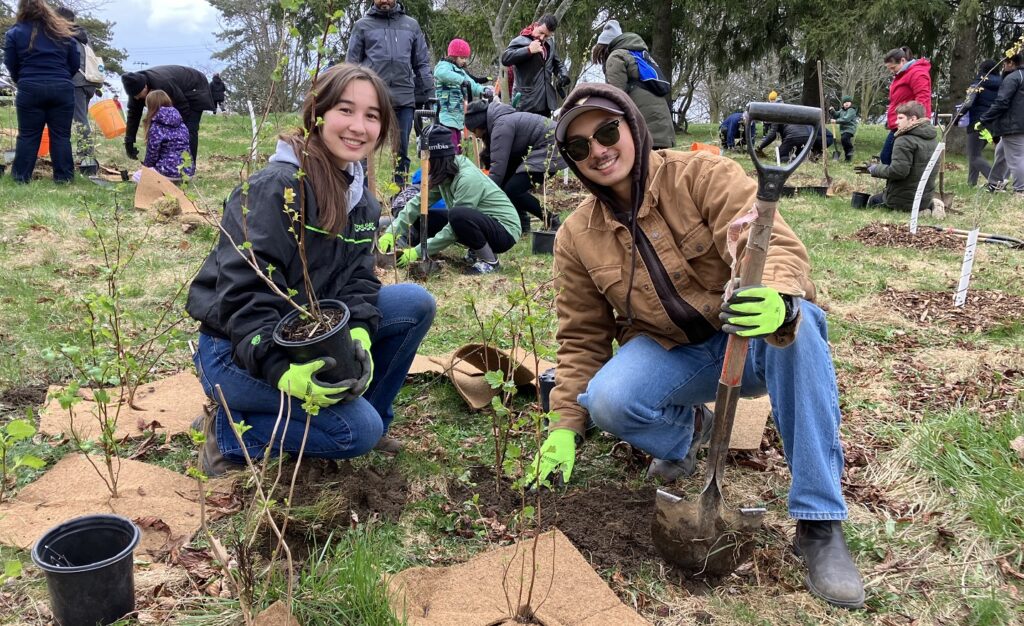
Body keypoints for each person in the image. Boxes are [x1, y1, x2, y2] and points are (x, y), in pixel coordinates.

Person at [524, 82, 865, 610]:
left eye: (607, 131)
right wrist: (565, 426)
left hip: (750, 342)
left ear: (632, 127)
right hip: (675, 353)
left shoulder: (702, 175)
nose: (598, 150)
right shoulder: (576, 236)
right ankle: (691, 433)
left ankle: (819, 523)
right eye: (579, 147)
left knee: (802, 327)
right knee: (607, 399)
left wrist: (776, 298)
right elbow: (581, 339)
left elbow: (770, 240)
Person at [186, 64, 435, 474]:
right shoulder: (275, 189)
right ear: (317, 114)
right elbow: (245, 291)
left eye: (372, 116)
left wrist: (359, 329)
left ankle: (366, 414)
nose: (359, 126)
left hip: (306, 334)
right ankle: (229, 433)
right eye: (346, 110)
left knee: (413, 303)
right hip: (236, 350)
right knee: (353, 433)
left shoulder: (363, 202)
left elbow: (357, 278)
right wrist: (281, 369)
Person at [377, 125, 521, 275]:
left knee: (457, 215)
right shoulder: (445, 172)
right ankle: (476, 249)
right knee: (426, 217)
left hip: (504, 231)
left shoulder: (467, 178)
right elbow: (418, 203)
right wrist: (391, 232)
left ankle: (489, 261)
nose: (424, 165)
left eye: (426, 160)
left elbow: (453, 229)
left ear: (437, 159)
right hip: (482, 221)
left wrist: (417, 252)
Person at [346, 0, 434, 186]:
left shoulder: (411, 25)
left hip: (404, 97)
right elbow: (351, 65)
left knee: (401, 149)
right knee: (363, 146)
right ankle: (361, 193)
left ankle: (400, 193)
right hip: (372, 97)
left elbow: (422, 63)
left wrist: (428, 94)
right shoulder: (362, 26)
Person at [3, 0, 79, 184]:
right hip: (61, 87)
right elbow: (75, 62)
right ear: (46, 9)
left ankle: (21, 178)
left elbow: (10, 62)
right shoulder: (63, 32)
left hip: (30, 87)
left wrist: (21, 79)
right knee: (61, 135)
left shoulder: (15, 33)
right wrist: (62, 78)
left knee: (28, 135)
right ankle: (64, 178)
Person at [464, 99, 566, 233]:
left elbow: (498, 168)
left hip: (551, 149)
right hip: (544, 148)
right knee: (510, 184)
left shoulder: (501, 126)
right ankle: (523, 224)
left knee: (513, 190)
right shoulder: (500, 121)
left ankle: (551, 219)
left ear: (479, 126)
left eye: (473, 131)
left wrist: (484, 194)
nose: (473, 135)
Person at [590, 20, 674, 149]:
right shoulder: (638, 55)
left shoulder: (616, 56)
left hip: (647, 129)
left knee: (645, 168)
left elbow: (616, 96)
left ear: (604, 47)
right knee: (660, 166)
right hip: (663, 128)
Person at [121, 65, 214, 169]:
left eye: (138, 95)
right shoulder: (134, 85)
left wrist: (176, 128)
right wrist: (129, 140)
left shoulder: (163, 83)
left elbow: (183, 106)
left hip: (194, 88)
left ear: (145, 87)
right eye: (133, 96)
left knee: (188, 130)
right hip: (178, 91)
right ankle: (170, 166)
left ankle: (188, 168)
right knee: (165, 130)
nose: (136, 98)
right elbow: (133, 114)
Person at [860, 101, 938, 211]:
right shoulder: (932, 138)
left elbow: (898, 172)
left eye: (900, 118)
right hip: (924, 200)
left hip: (904, 202)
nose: (896, 122)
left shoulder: (904, 140)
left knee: (873, 201)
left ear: (913, 119)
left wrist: (874, 169)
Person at [55, 6, 101, 168]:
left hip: (77, 82)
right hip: (90, 82)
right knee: (82, 117)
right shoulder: (82, 36)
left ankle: (86, 156)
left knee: (80, 120)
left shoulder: (67, 37)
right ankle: (84, 152)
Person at [501, 14, 568, 118]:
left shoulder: (550, 43)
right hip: (526, 103)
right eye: (541, 32)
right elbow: (505, 58)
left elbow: (557, 63)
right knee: (524, 133)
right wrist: (528, 50)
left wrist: (563, 74)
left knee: (545, 133)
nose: (542, 37)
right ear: (536, 25)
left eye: (546, 36)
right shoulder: (520, 40)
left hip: (546, 103)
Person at [977, 53, 1024, 193]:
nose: (1003, 66)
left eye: (1005, 63)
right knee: (1001, 152)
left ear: (1011, 63)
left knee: (1016, 158)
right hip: (1017, 124)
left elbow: (1002, 102)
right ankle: (995, 184)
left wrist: (984, 119)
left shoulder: (1013, 78)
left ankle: (1021, 191)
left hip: (1013, 125)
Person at [434, 38, 491, 152]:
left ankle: (456, 166)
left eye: (466, 58)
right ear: (453, 56)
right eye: (462, 58)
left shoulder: (461, 71)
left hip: (456, 117)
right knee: (451, 147)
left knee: (458, 147)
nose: (464, 61)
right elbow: (440, 74)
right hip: (445, 113)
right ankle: (449, 166)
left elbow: (472, 85)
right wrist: (461, 80)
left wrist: (484, 90)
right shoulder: (443, 66)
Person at [881, 47, 932, 165]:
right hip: (900, 122)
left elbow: (923, 100)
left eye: (893, 67)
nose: (891, 71)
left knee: (888, 157)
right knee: (890, 158)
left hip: (910, 124)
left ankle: (903, 182)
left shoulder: (917, 73)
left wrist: (916, 123)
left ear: (903, 61)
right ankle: (896, 182)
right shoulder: (902, 75)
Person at [136, 89, 193, 181]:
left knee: (137, 176)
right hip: (187, 171)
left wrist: (145, 168)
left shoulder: (156, 126)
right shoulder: (181, 123)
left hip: (167, 172)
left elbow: (152, 154)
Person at [964, 60, 1001, 187]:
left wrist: (958, 117)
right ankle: (971, 183)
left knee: (974, 155)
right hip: (992, 124)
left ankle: (996, 182)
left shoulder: (978, 83)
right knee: (975, 154)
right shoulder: (1001, 84)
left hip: (977, 123)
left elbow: (968, 103)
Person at [829, 97, 858, 162]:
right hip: (843, 130)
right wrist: (832, 111)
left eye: (848, 102)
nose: (846, 103)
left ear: (851, 103)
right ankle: (848, 158)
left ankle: (851, 149)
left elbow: (846, 119)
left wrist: (836, 121)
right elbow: (836, 115)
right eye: (845, 102)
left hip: (850, 128)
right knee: (844, 142)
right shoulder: (842, 110)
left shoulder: (851, 110)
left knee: (845, 138)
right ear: (843, 104)